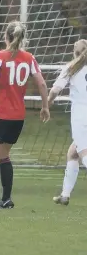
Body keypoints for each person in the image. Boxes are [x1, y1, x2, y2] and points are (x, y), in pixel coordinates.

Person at [0, 20, 50, 209]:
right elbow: (42, 83)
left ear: (6, 36)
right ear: (22, 38)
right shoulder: (29, 58)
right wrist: (45, 106)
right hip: (17, 116)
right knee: (4, 155)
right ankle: (6, 199)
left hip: (0, 113)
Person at [47, 39, 87, 206]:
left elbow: (55, 90)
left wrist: (46, 105)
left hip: (81, 117)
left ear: (74, 52)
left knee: (84, 154)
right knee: (73, 153)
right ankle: (65, 195)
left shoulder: (71, 68)